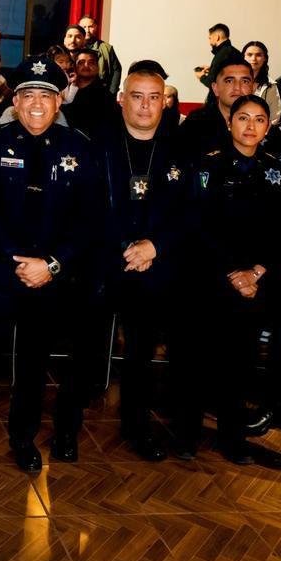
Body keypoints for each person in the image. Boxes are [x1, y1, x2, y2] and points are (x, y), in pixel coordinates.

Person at [0, 56, 103, 472]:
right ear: (14, 102)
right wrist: (19, 261)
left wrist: (51, 264)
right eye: (27, 95)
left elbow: (89, 219)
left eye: (45, 95)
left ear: (59, 103)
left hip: (52, 279)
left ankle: (23, 440)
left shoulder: (81, 148)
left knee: (34, 364)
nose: (36, 103)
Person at [171, 95, 281, 464]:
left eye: (259, 119)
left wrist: (255, 272)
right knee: (196, 361)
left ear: (268, 127)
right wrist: (232, 272)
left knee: (239, 365)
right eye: (243, 118)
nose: (250, 126)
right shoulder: (206, 166)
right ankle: (187, 435)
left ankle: (232, 438)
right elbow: (195, 224)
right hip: (209, 279)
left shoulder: (278, 171)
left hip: (255, 283)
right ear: (230, 123)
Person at [92, 62, 186, 462]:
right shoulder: (96, 144)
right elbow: (85, 208)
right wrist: (125, 247)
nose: (145, 106)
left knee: (142, 350)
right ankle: (67, 425)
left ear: (164, 102)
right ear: (121, 99)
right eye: (137, 96)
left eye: (154, 97)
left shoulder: (182, 149)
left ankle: (137, 425)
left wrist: (154, 247)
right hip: (104, 259)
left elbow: (189, 212)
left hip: (155, 263)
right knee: (87, 344)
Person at [179, 56, 255, 163]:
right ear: (215, 88)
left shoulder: (263, 127)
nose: (237, 87)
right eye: (229, 81)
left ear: (253, 87)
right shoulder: (195, 124)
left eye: (245, 81)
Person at [62, 49, 112, 137]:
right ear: (74, 66)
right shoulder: (66, 89)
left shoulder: (105, 96)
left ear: (97, 67)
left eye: (91, 63)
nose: (86, 66)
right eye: (81, 62)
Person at [242, 40, 281, 125]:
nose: (253, 59)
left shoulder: (270, 86)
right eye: (249, 55)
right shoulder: (233, 81)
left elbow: (275, 116)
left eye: (258, 55)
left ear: (265, 58)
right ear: (243, 57)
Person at [80, 16, 122, 95]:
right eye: (84, 27)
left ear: (96, 27)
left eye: (90, 27)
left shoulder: (106, 48)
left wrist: (112, 92)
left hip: (102, 91)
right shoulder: (75, 47)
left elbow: (117, 69)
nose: (87, 30)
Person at [195, 23, 240, 94]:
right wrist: (212, 70)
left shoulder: (221, 54)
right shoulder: (235, 52)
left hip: (223, 99)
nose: (209, 42)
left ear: (217, 37)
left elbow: (212, 83)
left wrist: (201, 77)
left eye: (210, 38)